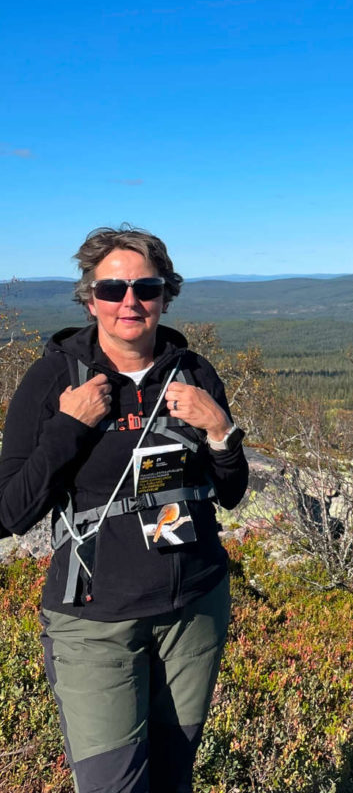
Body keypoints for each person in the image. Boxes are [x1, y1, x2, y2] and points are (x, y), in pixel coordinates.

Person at [0, 226, 249, 793]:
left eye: (146, 287)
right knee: (114, 783)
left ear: (166, 294)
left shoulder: (193, 371)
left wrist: (220, 430)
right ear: (90, 298)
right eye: (112, 289)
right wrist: (68, 427)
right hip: (94, 619)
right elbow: (8, 512)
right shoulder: (54, 379)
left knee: (171, 776)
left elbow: (230, 491)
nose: (129, 302)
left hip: (195, 607)